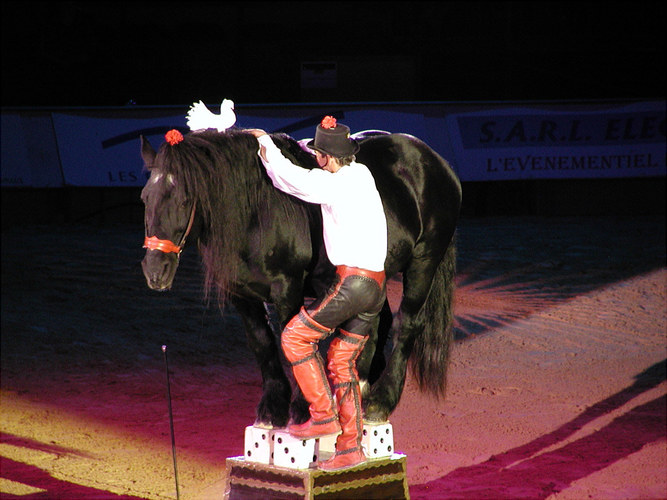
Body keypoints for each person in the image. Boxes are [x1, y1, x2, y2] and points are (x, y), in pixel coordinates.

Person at [248, 116, 388, 471]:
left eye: (318, 156)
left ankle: (323, 414)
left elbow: (292, 181)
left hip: (353, 284)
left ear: (326, 158)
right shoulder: (363, 174)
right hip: (377, 287)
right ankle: (350, 449)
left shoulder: (334, 184)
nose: (316, 162)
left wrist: (265, 142)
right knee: (341, 361)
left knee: (295, 338)